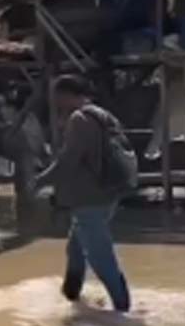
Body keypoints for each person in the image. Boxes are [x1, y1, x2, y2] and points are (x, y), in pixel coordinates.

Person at [32, 74, 131, 312]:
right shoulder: (102, 114)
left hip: (90, 197)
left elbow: (68, 161)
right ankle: (71, 296)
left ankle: (122, 308)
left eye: (57, 96)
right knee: (75, 247)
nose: (54, 102)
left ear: (66, 95)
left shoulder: (79, 118)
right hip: (109, 192)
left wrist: (40, 180)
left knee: (99, 256)